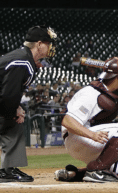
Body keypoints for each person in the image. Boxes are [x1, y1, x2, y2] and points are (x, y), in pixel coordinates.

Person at [54, 57, 118, 183]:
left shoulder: (109, 92)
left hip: (86, 141)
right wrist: (92, 135)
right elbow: (67, 121)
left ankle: (74, 174)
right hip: (78, 138)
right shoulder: (91, 93)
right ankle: (96, 172)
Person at [0, 25, 58, 182]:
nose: (50, 47)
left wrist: (16, 107)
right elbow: (7, 94)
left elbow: (9, 91)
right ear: (39, 44)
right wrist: (13, 111)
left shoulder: (24, 59)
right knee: (11, 121)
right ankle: (6, 170)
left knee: (12, 121)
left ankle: (8, 168)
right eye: (48, 43)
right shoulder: (22, 61)